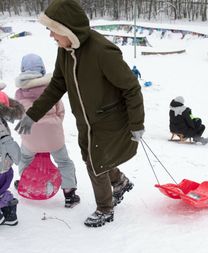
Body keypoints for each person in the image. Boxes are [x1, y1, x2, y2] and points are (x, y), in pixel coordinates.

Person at [15, 0, 145, 228]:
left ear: (67, 29)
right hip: (86, 120)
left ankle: (105, 208)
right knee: (93, 159)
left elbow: (131, 87)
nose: (51, 37)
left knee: (95, 164)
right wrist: (33, 114)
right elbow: (57, 85)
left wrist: (136, 123)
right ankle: (120, 181)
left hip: (108, 120)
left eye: (53, 31)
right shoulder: (66, 50)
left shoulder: (102, 52)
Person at [14, 53, 80, 208]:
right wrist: (54, 125)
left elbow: (18, 114)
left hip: (31, 137)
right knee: (64, 162)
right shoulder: (51, 87)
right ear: (42, 69)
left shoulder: (19, 92)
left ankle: (25, 181)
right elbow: (60, 111)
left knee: (25, 158)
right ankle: (69, 193)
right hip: (53, 137)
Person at [0, 90, 24, 226]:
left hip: (2, 165)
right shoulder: (2, 121)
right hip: (5, 166)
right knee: (2, 191)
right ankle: (10, 214)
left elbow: (6, 142)